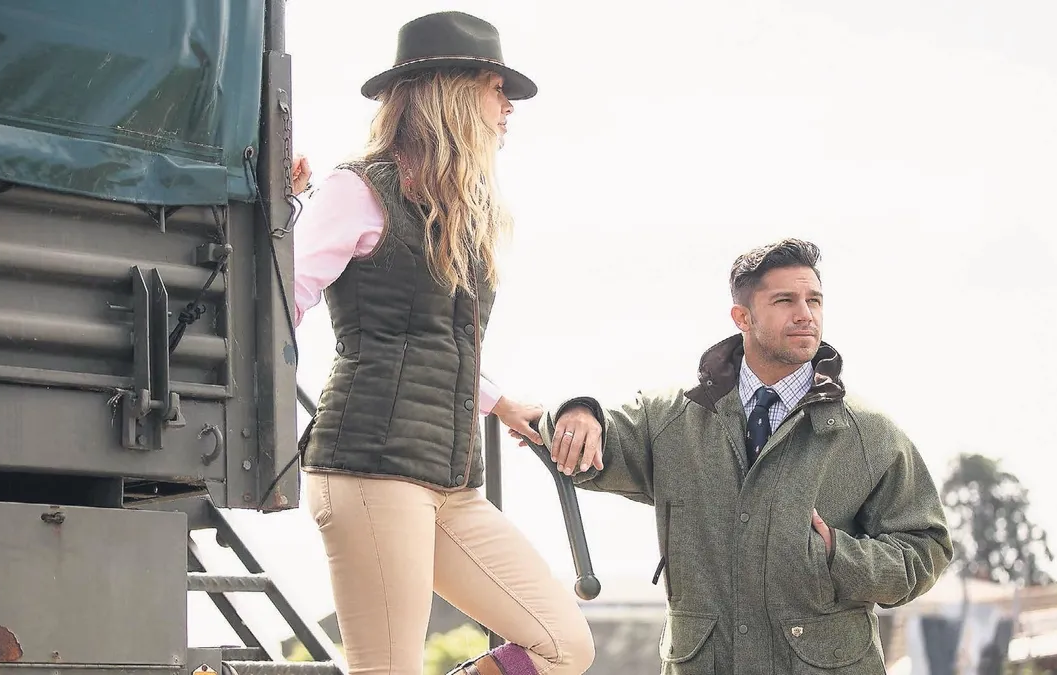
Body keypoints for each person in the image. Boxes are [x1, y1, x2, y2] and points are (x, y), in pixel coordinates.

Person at [290, 11, 595, 675]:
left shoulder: (460, 209)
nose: (508, 107)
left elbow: (438, 337)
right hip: (369, 466)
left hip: (451, 477)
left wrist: (501, 402)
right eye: (496, 88)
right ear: (450, 91)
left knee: (563, 645)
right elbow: (284, 298)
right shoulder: (357, 190)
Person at [530, 239, 953, 674]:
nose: (805, 314)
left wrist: (835, 554)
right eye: (785, 300)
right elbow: (588, 443)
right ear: (742, 317)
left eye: (814, 300)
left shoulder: (868, 432)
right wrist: (577, 412)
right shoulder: (672, 418)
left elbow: (927, 549)